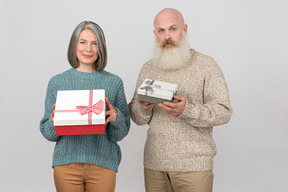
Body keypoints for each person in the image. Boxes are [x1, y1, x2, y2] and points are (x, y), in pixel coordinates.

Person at [128, 8, 233, 192]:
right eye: (161, 31)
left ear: (184, 29)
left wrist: (187, 110)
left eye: (173, 29)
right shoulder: (148, 68)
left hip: (194, 167)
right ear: (155, 34)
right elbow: (137, 118)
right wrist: (143, 107)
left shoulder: (205, 65)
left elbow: (224, 111)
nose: (167, 35)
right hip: (155, 165)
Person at [40, 21, 130, 192]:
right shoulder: (57, 82)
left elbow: (121, 133)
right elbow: (47, 133)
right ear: (74, 45)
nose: (88, 49)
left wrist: (116, 117)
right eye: (82, 42)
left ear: (101, 48)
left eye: (94, 43)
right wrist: (54, 121)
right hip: (66, 165)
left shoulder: (114, 83)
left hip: (103, 163)